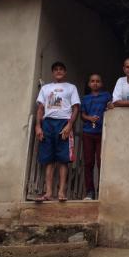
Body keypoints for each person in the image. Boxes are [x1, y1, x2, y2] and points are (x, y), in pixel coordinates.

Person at [34, 61, 80, 202]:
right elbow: (41, 108)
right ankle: (48, 192)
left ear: (65, 72)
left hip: (63, 123)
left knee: (63, 159)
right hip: (48, 123)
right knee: (49, 160)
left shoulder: (71, 87)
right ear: (53, 73)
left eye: (61, 69)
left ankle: (61, 192)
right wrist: (38, 126)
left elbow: (76, 108)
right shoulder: (46, 88)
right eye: (56, 70)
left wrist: (70, 125)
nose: (58, 71)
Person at [81, 74, 112, 200]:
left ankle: (101, 190)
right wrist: (89, 118)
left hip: (102, 132)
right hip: (88, 132)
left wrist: (110, 107)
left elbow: (111, 107)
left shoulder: (106, 95)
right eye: (92, 81)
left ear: (101, 84)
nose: (95, 83)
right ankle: (89, 192)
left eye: (98, 81)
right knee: (88, 162)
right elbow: (82, 115)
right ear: (89, 84)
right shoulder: (85, 98)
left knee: (101, 162)